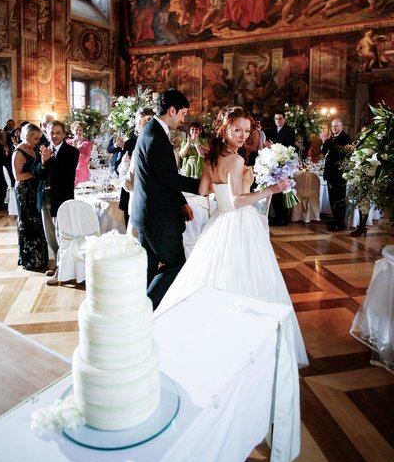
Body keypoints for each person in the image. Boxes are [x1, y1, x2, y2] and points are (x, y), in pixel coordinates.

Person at [155, 106, 308, 367]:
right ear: (225, 128)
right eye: (237, 129)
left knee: (213, 274)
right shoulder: (235, 160)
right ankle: (239, 344)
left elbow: (204, 189)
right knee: (245, 275)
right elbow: (237, 201)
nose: (243, 136)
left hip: (218, 222)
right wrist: (270, 189)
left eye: (247, 131)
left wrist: (220, 186)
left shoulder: (213, 156)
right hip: (237, 220)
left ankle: (209, 332)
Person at [131, 89, 200, 309]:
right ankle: (145, 310)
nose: (183, 119)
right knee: (176, 265)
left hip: (148, 215)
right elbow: (170, 178)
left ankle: (138, 312)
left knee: (150, 268)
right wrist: (203, 186)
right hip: (159, 218)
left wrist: (181, 202)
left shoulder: (150, 131)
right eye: (182, 113)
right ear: (172, 110)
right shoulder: (155, 137)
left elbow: (159, 177)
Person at [33, 121, 79, 283]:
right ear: (47, 133)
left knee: (62, 233)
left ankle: (63, 270)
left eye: (58, 132)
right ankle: (60, 264)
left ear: (64, 134)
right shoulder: (43, 149)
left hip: (62, 197)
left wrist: (48, 160)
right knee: (50, 233)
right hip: (45, 195)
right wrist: (43, 162)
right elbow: (37, 173)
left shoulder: (72, 152)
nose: (55, 136)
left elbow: (64, 174)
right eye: (52, 132)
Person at [12, 123, 48, 271]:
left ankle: (40, 258)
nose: (37, 141)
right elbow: (18, 176)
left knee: (37, 222)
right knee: (27, 223)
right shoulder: (19, 153)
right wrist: (35, 174)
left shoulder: (33, 149)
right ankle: (29, 260)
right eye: (35, 138)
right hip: (24, 192)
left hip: (34, 190)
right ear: (27, 136)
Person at [265, 111, 296, 226]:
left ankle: (283, 218)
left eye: (280, 118)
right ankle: (277, 216)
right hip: (273, 165)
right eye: (276, 119)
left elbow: (289, 146)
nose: (278, 121)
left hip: (284, 165)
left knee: (283, 191)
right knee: (275, 191)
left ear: (284, 119)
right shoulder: (273, 131)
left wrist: (273, 146)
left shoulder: (289, 130)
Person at [322, 118, 351, 231]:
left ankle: (340, 223)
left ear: (341, 127)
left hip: (338, 175)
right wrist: (326, 141)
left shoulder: (345, 137)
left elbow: (336, 153)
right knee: (333, 199)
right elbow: (324, 151)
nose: (334, 128)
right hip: (331, 174)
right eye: (333, 126)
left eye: (336, 126)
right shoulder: (332, 138)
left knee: (339, 199)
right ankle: (336, 220)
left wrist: (326, 140)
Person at [66, 121, 92, 186]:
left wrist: (75, 149)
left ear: (83, 131)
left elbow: (86, 159)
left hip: (82, 172)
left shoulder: (87, 143)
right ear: (72, 131)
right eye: (76, 130)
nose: (78, 132)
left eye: (80, 130)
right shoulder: (67, 143)